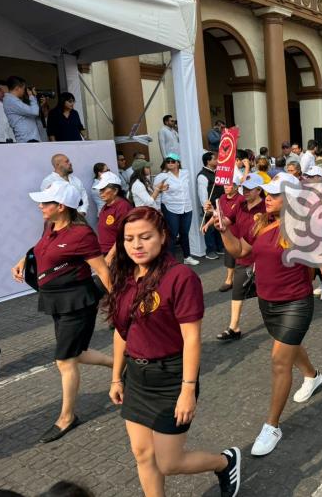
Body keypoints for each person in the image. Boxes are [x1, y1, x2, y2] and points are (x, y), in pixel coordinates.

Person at [105, 207, 241, 497]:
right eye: (129, 239)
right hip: (136, 377)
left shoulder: (181, 278)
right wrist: (116, 377)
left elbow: (192, 338)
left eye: (145, 237)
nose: (137, 245)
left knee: (169, 462)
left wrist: (188, 390)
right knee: (142, 454)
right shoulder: (125, 276)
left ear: (163, 235)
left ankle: (224, 462)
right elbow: (121, 330)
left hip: (171, 379)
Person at [216, 173, 322, 456]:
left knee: (278, 361)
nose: (268, 199)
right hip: (267, 303)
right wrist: (223, 230)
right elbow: (240, 250)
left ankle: (272, 426)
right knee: (288, 347)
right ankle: (313, 375)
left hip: (295, 304)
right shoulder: (262, 223)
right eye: (268, 194)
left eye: (275, 195)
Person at [11, 181, 113, 443]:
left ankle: (67, 417)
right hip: (55, 301)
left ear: (61, 206)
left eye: (45, 203)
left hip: (77, 303)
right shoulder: (50, 225)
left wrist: (119, 302)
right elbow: (39, 247)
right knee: (77, 353)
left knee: (65, 361)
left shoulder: (82, 235)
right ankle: (121, 365)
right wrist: (24, 259)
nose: (40, 206)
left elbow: (102, 271)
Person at [216, 174, 266, 342]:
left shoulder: (267, 208)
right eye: (244, 187)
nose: (245, 191)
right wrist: (215, 215)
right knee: (237, 292)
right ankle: (233, 327)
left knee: (266, 294)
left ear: (259, 190)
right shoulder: (240, 204)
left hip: (262, 259)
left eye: (249, 188)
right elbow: (227, 221)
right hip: (243, 255)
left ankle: (275, 321)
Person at [153, 153, 198, 266]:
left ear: (178, 162)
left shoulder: (185, 173)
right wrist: (158, 208)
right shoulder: (161, 176)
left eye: (172, 161)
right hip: (170, 208)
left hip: (186, 207)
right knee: (172, 235)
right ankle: (171, 261)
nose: (170, 163)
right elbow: (157, 194)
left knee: (184, 233)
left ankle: (187, 257)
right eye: (168, 161)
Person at [93, 172, 133, 263]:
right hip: (106, 252)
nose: (100, 193)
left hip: (118, 254)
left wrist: (111, 255)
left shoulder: (123, 207)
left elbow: (124, 234)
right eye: (100, 190)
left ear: (115, 191)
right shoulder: (106, 206)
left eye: (103, 189)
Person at [214, 177, 244, 293]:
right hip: (228, 233)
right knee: (230, 257)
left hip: (240, 233)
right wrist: (208, 223)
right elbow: (218, 214)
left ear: (236, 187)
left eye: (229, 185)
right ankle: (229, 280)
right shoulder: (222, 198)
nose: (225, 187)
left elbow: (231, 216)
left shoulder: (241, 199)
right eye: (225, 185)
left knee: (243, 258)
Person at [197, 152, 225, 260]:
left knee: (219, 225)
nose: (217, 161)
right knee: (210, 228)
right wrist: (206, 207)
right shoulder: (202, 175)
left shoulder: (218, 172)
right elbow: (202, 192)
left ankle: (220, 247)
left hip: (220, 203)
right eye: (214, 159)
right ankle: (210, 250)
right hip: (210, 205)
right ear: (208, 161)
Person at [3, 76, 46, 143]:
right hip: (27, 139)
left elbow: (31, 114)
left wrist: (39, 106)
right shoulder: (11, 101)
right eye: (23, 88)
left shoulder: (13, 100)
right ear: (17, 88)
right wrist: (32, 96)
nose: (24, 91)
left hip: (29, 138)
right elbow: (34, 112)